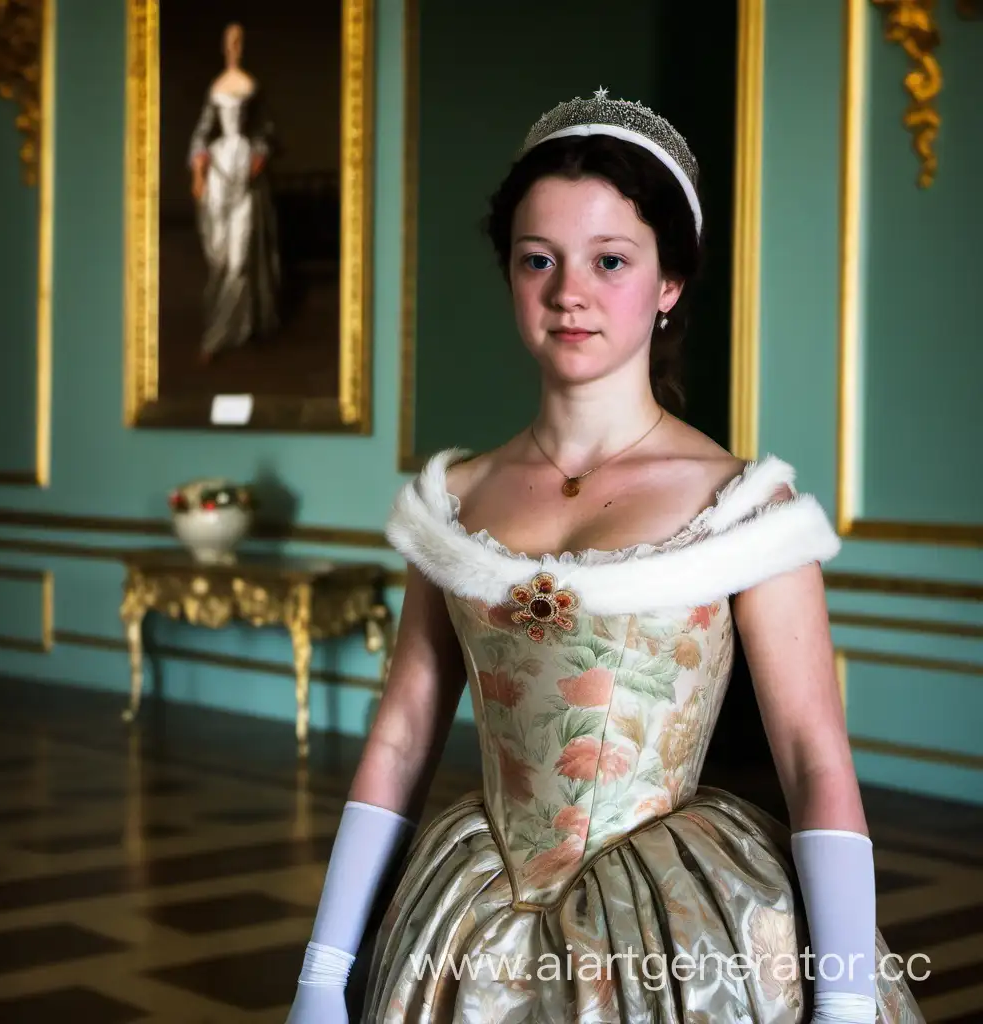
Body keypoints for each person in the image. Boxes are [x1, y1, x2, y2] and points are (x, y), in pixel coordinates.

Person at [285, 91, 925, 1022]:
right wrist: (320, 973)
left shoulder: (742, 507)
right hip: (474, 909)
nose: (568, 292)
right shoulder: (453, 500)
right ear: (509, 274)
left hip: (670, 926)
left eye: (610, 261)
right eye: (536, 260)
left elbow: (812, 755)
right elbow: (400, 737)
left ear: (669, 284)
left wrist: (847, 1002)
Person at [189, 22, 280, 363]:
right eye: (230, 42)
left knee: (240, 262)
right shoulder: (216, 88)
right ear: (223, 46)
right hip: (218, 175)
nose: (234, 47)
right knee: (220, 258)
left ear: (244, 46)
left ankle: (214, 340)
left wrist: (257, 159)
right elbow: (201, 133)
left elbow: (268, 132)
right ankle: (229, 327)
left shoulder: (252, 87)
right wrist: (198, 172)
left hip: (245, 176)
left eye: (240, 41)